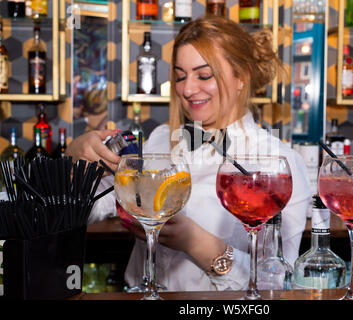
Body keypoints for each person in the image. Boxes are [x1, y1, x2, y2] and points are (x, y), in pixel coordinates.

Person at [66, 16, 311, 291]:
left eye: (204, 75)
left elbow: (277, 283)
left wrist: (198, 244)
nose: (188, 89)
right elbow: (87, 211)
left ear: (241, 76)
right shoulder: (161, 139)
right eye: (180, 76)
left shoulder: (280, 162)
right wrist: (75, 163)